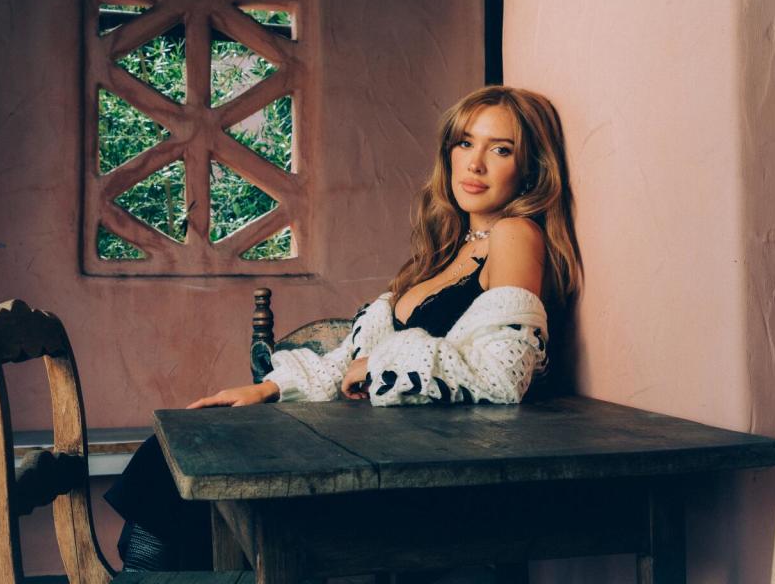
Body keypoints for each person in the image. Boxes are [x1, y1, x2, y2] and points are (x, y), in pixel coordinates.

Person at [104, 85, 583, 572]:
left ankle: (148, 577)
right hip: (379, 443)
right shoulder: (446, 248)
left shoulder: (515, 235)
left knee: (206, 464)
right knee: (190, 440)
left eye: (500, 150)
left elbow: (504, 372)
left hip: (422, 472)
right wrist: (270, 387)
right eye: (465, 143)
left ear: (530, 171)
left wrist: (382, 364)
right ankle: (144, 575)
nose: (474, 163)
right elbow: (356, 355)